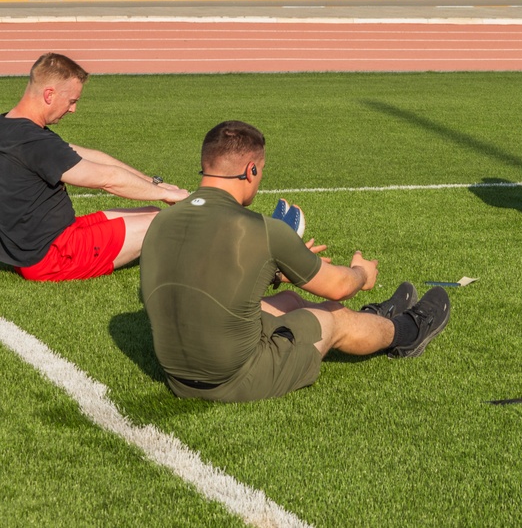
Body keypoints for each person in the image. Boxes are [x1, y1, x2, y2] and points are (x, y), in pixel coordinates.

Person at [140, 120, 450, 403]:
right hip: (232, 379)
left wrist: (274, 272)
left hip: (177, 374)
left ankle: (372, 319)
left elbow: (199, 277)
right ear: (251, 171)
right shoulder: (260, 228)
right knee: (335, 316)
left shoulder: (163, 220)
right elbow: (339, 287)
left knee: (288, 299)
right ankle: (409, 331)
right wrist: (361, 273)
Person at [0, 53, 189, 282]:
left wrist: (154, 183)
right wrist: (166, 193)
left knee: (152, 212)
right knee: (163, 223)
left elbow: (93, 156)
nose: (73, 109)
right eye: (72, 101)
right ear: (49, 94)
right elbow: (108, 179)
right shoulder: (35, 142)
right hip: (54, 256)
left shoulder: (11, 127)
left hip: (49, 240)